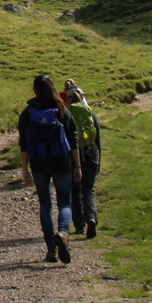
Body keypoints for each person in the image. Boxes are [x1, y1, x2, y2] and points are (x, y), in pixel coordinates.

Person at [18, 73, 83, 264]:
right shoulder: (61, 109)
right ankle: (63, 233)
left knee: (45, 204)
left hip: (38, 163)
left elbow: (23, 143)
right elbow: (73, 140)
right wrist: (77, 166)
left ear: (35, 91)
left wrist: (24, 169)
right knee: (65, 202)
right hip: (62, 162)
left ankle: (51, 250)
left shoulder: (28, 113)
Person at [65, 80, 103, 239]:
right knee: (89, 190)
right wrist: (98, 159)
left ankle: (79, 225)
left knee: (75, 191)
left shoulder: (65, 115)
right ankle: (91, 218)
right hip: (91, 154)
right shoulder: (90, 112)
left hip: (74, 157)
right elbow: (97, 138)